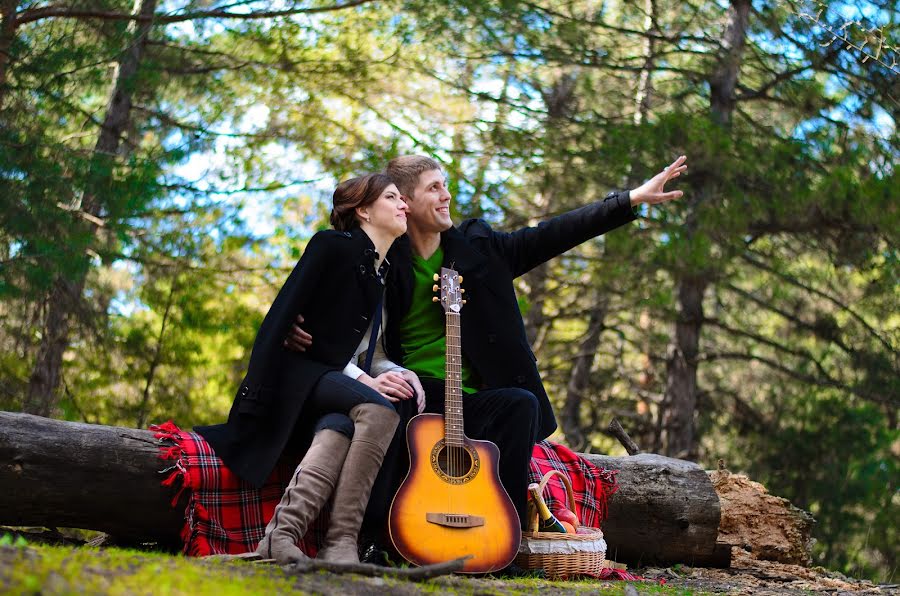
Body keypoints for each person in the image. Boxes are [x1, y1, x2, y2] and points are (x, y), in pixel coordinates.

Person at [286, 154, 688, 550]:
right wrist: (294, 324)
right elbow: (333, 297)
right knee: (398, 399)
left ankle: (504, 537)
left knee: (520, 405)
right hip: (419, 389)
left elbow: (553, 233)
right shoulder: (385, 258)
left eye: (445, 185)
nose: (446, 196)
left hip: (471, 397)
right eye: (434, 188)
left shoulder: (480, 246)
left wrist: (630, 199)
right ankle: (375, 537)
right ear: (405, 202)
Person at [195, 173, 421, 566]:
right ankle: (341, 541)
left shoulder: (386, 274)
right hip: (296, 378)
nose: (404, 205)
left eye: (404, 199)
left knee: (340, 427)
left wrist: (402, 373)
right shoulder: (332, 246)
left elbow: (370, 351)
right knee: (379, 410)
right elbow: (280, 317)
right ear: (363, 211)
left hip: (334, 386)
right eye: (392, 197)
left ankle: (280, 537)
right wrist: (365, 381)